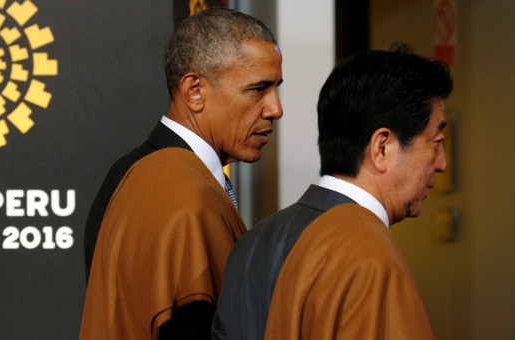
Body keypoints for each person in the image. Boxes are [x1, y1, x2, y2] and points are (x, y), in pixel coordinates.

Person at [212, 44, 453, 340]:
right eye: (437, 141)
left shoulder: (252, 243)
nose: (442, 163)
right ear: (382, 148)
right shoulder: (368, 253)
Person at [80, 7, 283, 340]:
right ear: (194, 91)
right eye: (258, 89)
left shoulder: (182, 178)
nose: (275, 109)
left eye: (275, 88)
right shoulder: (158, 183)